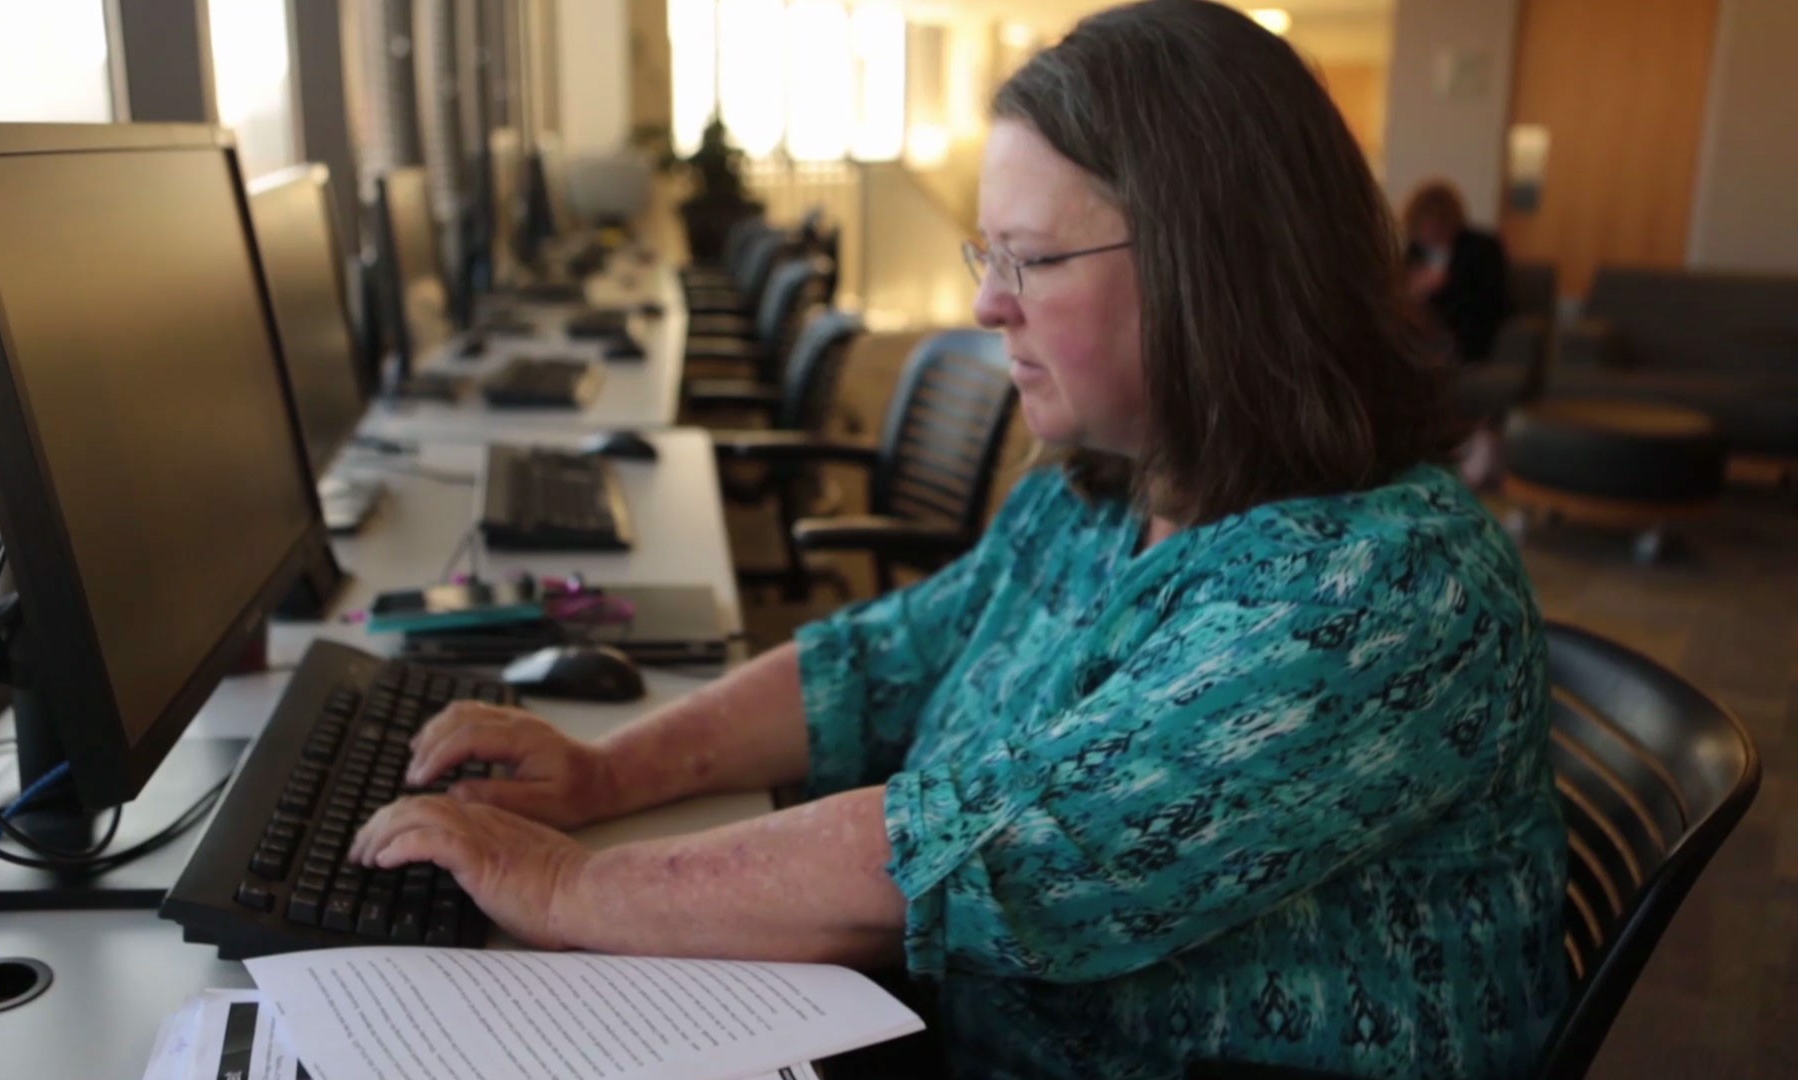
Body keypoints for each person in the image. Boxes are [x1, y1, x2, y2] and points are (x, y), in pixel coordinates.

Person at [350, 3, 1569, 1077]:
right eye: (990, 256)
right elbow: (878, 663)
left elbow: (982, 856)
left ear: (1215, 273)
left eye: (1030, 261)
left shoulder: (1379, 588)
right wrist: (607, 775)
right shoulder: (1103, 490)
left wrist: (566, 884)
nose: (989, 303)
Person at [1403, 180, 1513, 365]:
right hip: (1422, 329)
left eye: (1434, 226)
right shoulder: (1415, 250)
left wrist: (1444, 285)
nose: (1428, 234)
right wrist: (1413, 291)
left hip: (1468, 328)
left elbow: (1491, 299)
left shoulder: (1482, 247)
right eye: (1422, 227)